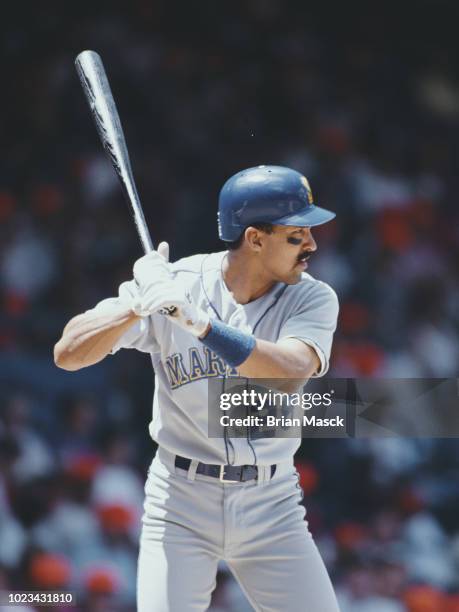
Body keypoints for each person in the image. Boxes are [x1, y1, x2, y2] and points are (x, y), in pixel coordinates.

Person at [54, 165, 341, 611]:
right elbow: (68, 353)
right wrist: (134, 305)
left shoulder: (312, 296)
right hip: (180, 501)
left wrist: (200, 325)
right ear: (255, 238)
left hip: (272, 503)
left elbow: (290, 372)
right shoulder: (174, 284)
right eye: (297, 235)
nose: (312, 245)